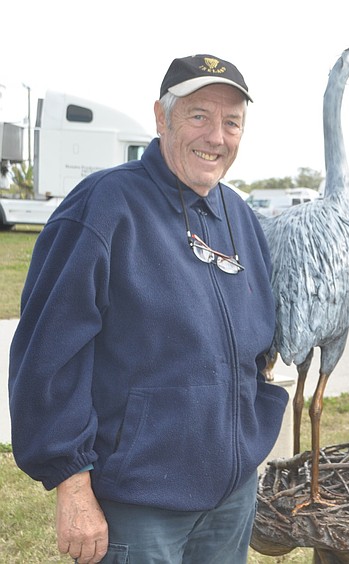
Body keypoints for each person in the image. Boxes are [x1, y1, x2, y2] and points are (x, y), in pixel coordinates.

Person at [8, 54, 289, 563]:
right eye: (199, 116)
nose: (216, 137)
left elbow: (258, 344)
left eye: (232, 123)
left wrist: (249, 430)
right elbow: (47, 356)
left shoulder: (241, 217)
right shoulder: (104, 206)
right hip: (138, 504)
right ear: (162, 119)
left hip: (230, 498)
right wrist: (71, 483)